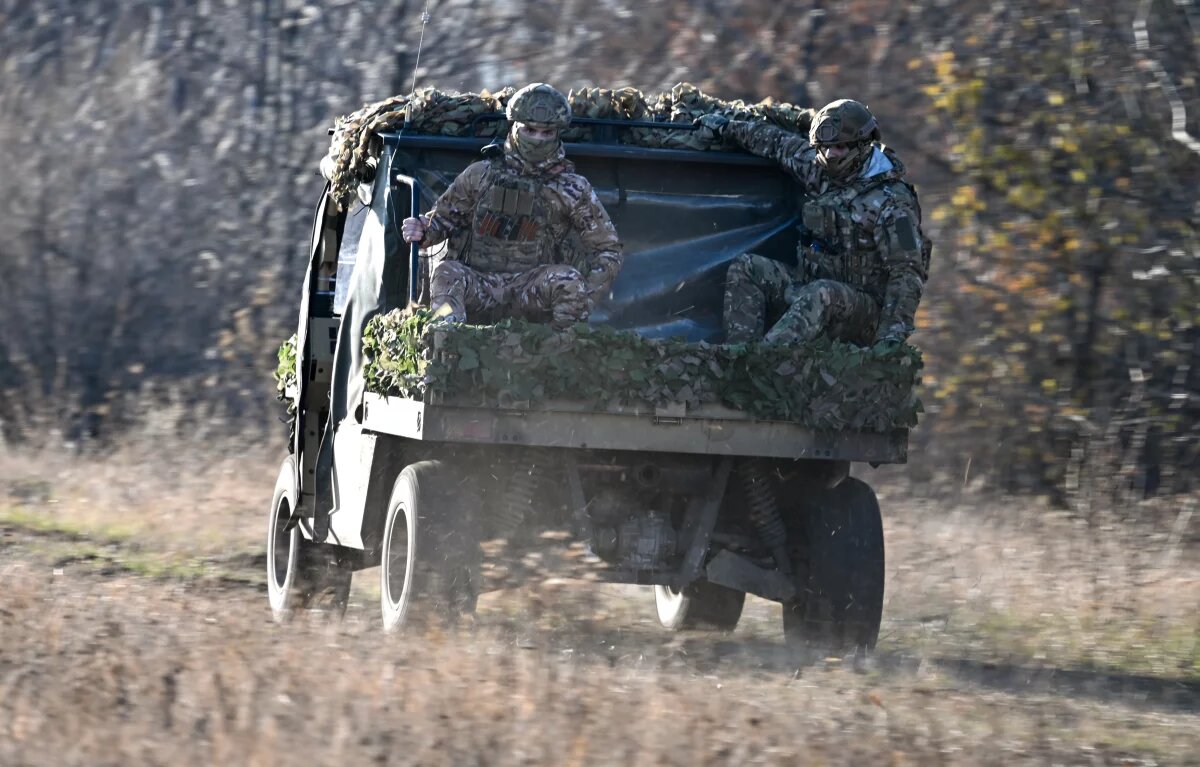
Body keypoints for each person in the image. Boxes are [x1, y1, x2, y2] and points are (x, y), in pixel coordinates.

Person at [695, 99, 930, 349]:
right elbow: (775, 142)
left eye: (839, 147)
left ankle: (762, 361)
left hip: (865, 312)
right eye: (824, 147)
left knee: (822, 293)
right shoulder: (820, 169)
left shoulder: (893, 203)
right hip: (811, 285)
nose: (830, 155)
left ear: (862, 144)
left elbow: (907, 271)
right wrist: (725, 128)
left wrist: (890, 338)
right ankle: (740, 354)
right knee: (747, 268)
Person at [401, 83, 623, 329]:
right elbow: (441, 221)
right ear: (515, 127)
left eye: (547, 132)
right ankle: (447, 341)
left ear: (557, 133)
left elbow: (608, 250)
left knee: (568, 280)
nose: (538, 139)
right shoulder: (480, 175)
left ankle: (560, 347)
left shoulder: (572, 188)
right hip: (478, 285)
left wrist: (584, 299)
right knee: (447, 272)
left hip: (532, 291)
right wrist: (422, 230)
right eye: (530, 130)